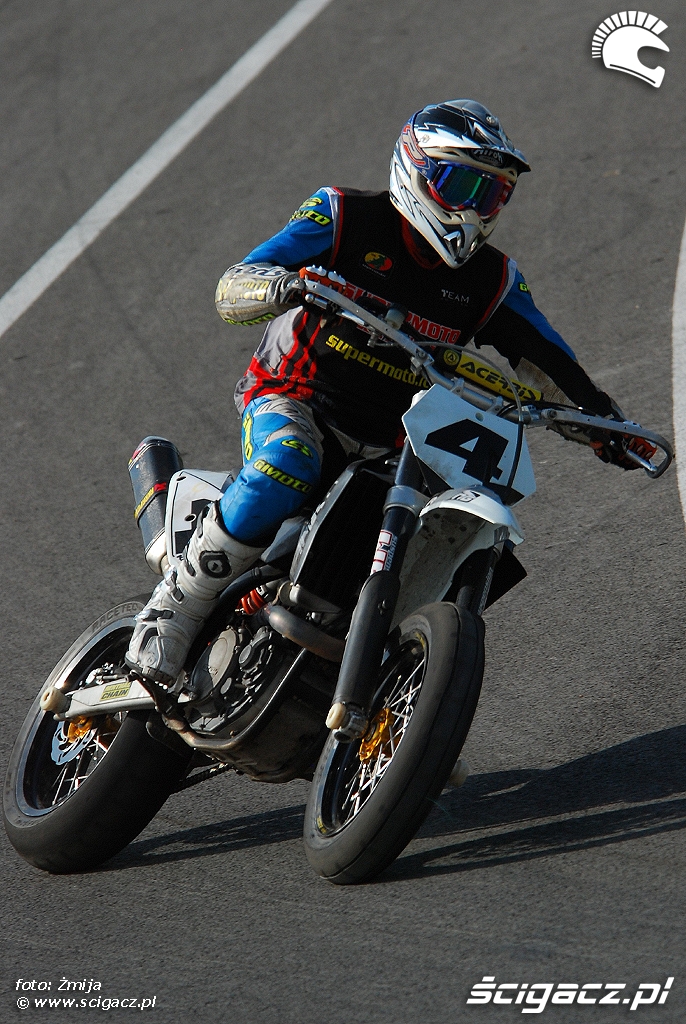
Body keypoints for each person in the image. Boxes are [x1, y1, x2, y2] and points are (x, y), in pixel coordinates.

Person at [125, 99, 646, 685]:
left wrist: (608, 425)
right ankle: (175, 607)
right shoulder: (343, 215)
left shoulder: (493, 278)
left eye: (491, 195)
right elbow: (235, 283)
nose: (472, 209)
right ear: (415, 168)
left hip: (399, 439)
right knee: (287, 461)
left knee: (447, 538)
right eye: (461, 185)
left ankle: (395, 686)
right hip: (296, 397)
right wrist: (285, 287)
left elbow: (550, 359)